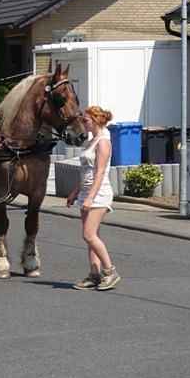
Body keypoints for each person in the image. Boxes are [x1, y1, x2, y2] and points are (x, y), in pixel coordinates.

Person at [67, 106, 121, 291]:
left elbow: (99, 173)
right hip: (86, 192)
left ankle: (110, 271)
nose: (84, 123)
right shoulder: (92, 141)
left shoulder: (103, 142)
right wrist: (75, 192)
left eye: (86, 120)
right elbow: (85, 172)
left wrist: (90, 197)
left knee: (88, 235)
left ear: (96, 120)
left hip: (99, 193)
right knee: (92, 237)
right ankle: (94, 274)